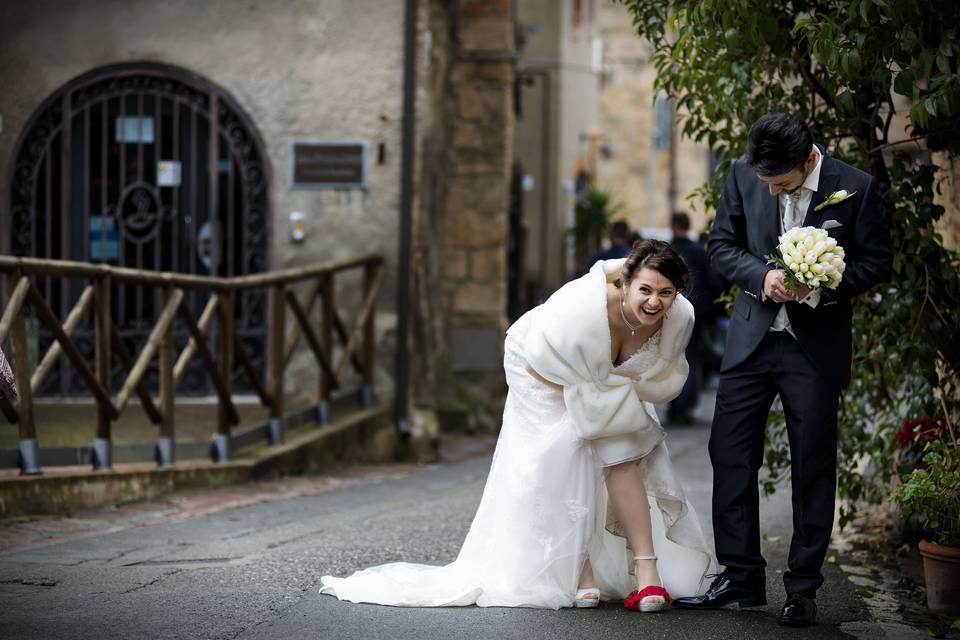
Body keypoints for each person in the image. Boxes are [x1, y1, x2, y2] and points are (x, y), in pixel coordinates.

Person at [321, 240, 715, 610]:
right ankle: (578, 568)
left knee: (622, 453)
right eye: (645, 289)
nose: (654, 301)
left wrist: (613, 408)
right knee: (567, 446)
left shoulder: (677, 319)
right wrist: (591, 412)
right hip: (541, 368)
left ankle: (647, 572)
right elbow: (539, 367)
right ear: (624, 283)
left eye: (666, 293)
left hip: (604, 384)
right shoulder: (580, 310)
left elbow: (660, 379)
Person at [673, 113, 892, 627]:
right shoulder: (743, 173)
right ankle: (741, 576)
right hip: (750, 341)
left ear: (809, 159)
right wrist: (763, 276)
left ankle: (803, 588)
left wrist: (821, 285)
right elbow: (721, 246)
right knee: (728, 456)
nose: (769, 192)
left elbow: (877, 261)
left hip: (813, 348)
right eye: (764, 182)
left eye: (781, 184)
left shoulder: (855, 188)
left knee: (812, 465)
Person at [667, 211, 715, 424]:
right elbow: (711, 281)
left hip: (667, 312)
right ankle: (686, 406)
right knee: (692, 358)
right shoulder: (697, 251)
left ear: (674, 225)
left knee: (669, 356)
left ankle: (674, 404)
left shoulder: (667, 250)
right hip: (695, 312)